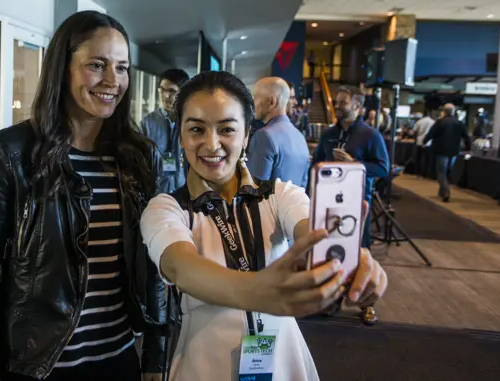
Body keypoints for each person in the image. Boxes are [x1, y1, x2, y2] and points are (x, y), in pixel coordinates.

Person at [0, 11, 167, 381]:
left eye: (122, 68)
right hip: (39, 367)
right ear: (62, 67)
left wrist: (155, 357)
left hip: (118, 361)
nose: (112, 81)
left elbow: (155, 269)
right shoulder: (11, 153)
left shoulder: (138, 157)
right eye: (97, 65)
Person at [140, 72, 387, 381]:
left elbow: (310, 229)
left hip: (284, 362)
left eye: (227, 129)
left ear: (246, 136)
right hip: (204, 364)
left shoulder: (280, 195)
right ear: (182, 136)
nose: (211, 144)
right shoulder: (167, 208)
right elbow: (181, 267)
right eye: (196, 129)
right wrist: (257, 291)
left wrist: (347, 260)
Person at [311, 87, 389, 325]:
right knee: (329, 250)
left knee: (360, 251)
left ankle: (367, 305)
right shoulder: (328, 134)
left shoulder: (370, 135)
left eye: (342, 102)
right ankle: (332, 299)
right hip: (327, 201)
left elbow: (383, 168)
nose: (337, 104)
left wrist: (355, 164)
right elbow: (315, 164)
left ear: (357, 106)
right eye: (336, 101)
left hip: (357, 202)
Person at [248, 76, 311, 188]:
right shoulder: (300, 138)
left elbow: (254, 190)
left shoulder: (264, 136)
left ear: (272, 102)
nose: (253, 104)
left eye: (256, 98)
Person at [141, 68, 190, 193]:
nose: (165, 96)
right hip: (155, 193)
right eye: (162, 90)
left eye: (172, 91)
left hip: (185, 193)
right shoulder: (148, 123)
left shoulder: (190, 122)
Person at [424, 103, 471, 203]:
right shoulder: (459, 123)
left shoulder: (440, 122)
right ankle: (442, 191)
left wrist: (424, 141)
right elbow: (466, 136)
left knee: (441, 172)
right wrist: (468, 147)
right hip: (454, 151)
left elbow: (431, 134)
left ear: (444, 111)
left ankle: (445, 192)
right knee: (447, 171)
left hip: (441, 150)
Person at [413, 110, 435, 177]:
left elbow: (415, 131)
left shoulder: (419, 121)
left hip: (419, 141)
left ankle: (418, 173)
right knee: (427, 159)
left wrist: (415, 140)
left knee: (418, 158)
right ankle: (425, 173)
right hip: (429, 143)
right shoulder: (433, 122)